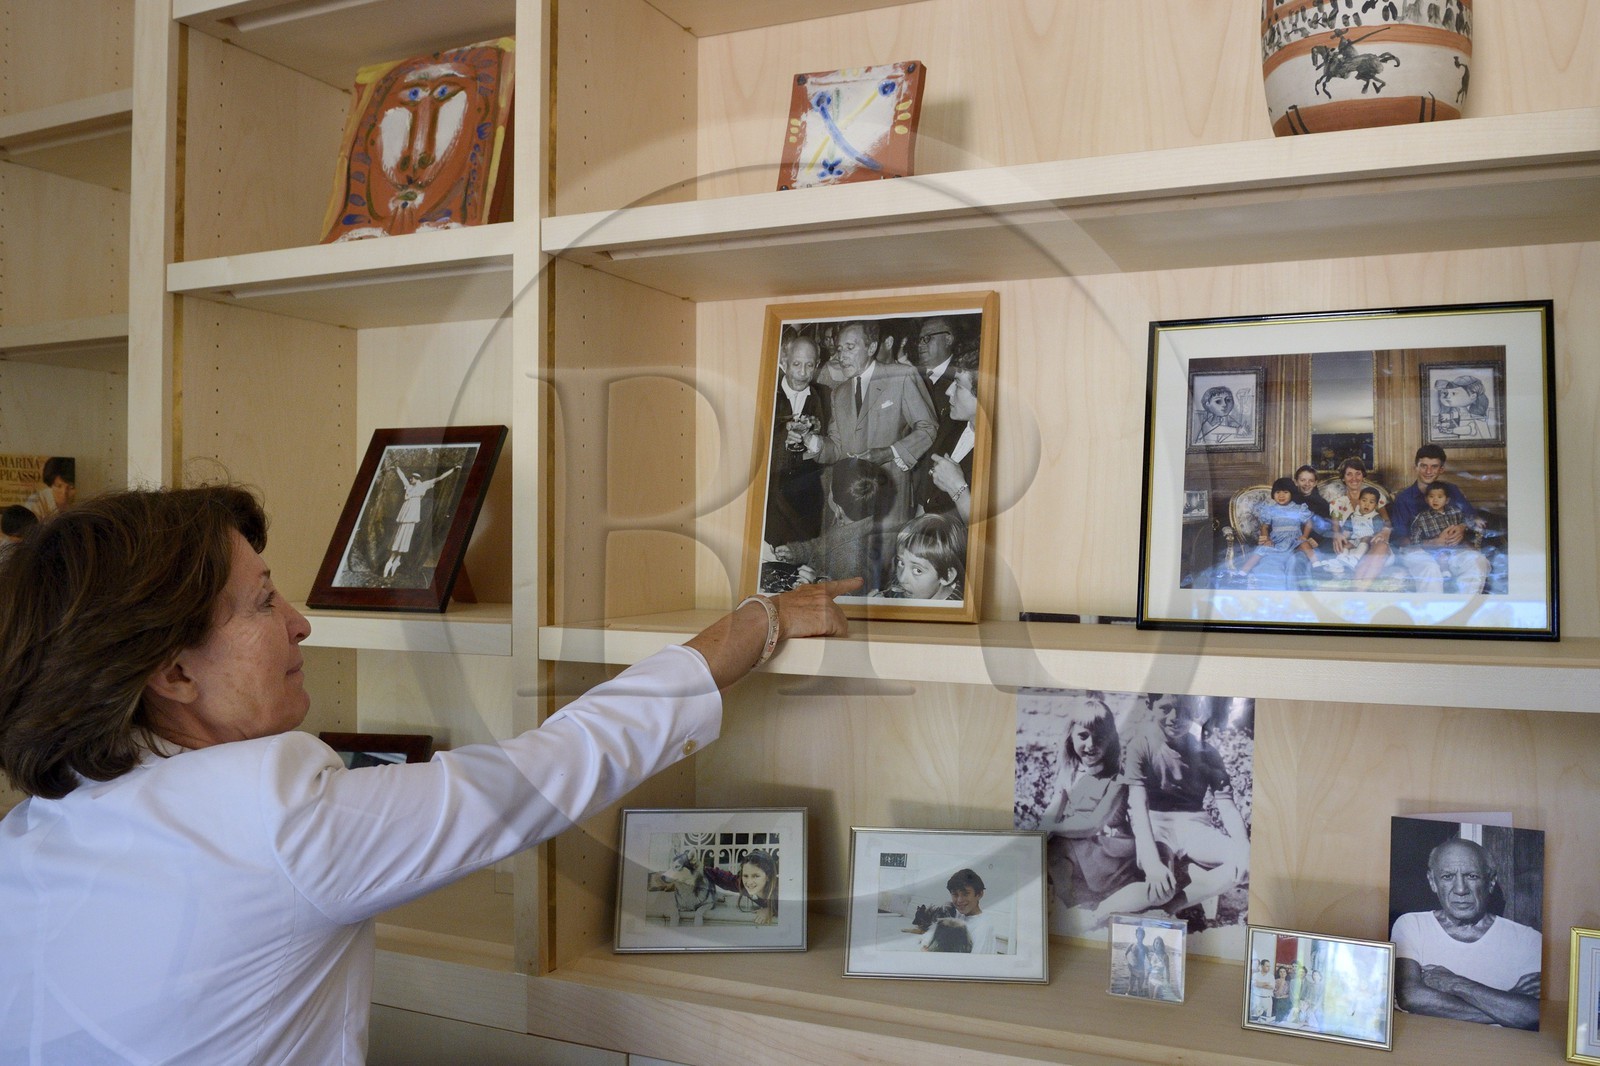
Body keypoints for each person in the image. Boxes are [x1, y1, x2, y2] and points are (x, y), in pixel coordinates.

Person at [0, 484, 857, 1063]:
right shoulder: (273, 819)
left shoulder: (31, 833)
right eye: (263, 601)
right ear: (173, 674)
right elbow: (551, 772)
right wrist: (758, 623)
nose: (300, 623)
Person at [1037, 697, 1171, 928]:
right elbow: (1053, 809)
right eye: (1083, 736)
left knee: (1159, 890)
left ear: (1111, 740)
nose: (1090, 744)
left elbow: (1094, 824)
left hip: (1110, 852)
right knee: (1050, 848)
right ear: (1071, 735)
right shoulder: (1070, 771)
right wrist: (1039, 832)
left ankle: (1101, 912)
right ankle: (1068, 905)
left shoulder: (1118, 778)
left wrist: (1052, 830)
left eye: (1099, 737)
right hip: (1081, 850)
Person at [1121, 694, 1250, 927]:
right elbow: (1138, 806)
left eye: (1183, 710)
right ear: (1150, 706)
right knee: (1160, 886)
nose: (1175, 717)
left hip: (1194, 824)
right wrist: (1151, 861)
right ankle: (1101, 912)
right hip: (1156, 822)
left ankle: (1170, 909)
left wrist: (1244, 847)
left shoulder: (1207, 753)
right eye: (1166, 709)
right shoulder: (1141, 745)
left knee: (1244, 864)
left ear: (1197, 709)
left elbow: (1227, 806)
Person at [800, 320, 937, 540]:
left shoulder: (900, 376)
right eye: (839, 349)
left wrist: (889, 452)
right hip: (845, 506)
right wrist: (813, 441)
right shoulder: (840, 393)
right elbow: (836, 447)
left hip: (889, 503)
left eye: (850, 348)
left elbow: (928, 428)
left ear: (871, 348)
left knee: (885, 570)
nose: (842, 355)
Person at [1391, 837, 1540, 1030]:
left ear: (1491, 881)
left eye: (1472, 876)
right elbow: (1411, 996)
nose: (1460, 889)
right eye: (1448, 877)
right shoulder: (1413, 925)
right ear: (1432, 882)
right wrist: (1506, 1007)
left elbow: (1533, 1015)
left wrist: (1456, 983)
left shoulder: (1527, 940)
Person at [771, 457, 892, 591]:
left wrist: (816, 583)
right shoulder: (849, 522)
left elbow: (847, 601)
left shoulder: (853, 559)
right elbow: (823, 545)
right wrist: (796, 551)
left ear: (838, 507)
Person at [1385, 445, 1490, 595]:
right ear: (1416, 467)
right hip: (1418, 550)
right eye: (1424, 466)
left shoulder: (1452, 490)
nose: (1428, 471)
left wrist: (1462, 527)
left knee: (1477, 561)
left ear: (1441, 469)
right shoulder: (1404, 498)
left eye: (1434, 467)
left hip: (1451, 547)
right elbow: (1400, 540)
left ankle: (1463, 611)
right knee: (1430, 569)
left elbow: (1471, 517)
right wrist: (1432, 543)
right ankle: (1432, 614)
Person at [766, 334, 831, 545]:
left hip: (807, 502)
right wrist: (781, 438)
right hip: (769, 499)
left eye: (810, 365)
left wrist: (815, 438)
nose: (803, 373)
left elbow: (834, 446)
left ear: (818, 365)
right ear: (784, 363)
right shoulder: (765, 394)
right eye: (796, 364)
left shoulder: (827, 397)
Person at [912, 347, 980, 524]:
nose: (948, 391)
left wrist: (958, 488)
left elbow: (985, 531)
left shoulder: (1003, 451)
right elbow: (924, 498)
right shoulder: (950, 423)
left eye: (957, 385)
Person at [1408, 483, 1488, 594]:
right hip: (1434, 550)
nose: (1435, 500)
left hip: (1455, 549)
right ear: (1426, 499)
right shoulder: (1421, 518)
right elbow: (1415, 540)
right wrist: (1433, 542)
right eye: (1431, 497)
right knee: (1440, 556)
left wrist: (1473, 522)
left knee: (1476, 559)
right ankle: (1444, 572)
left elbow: (1466, 522)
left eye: (1440, 497)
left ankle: (1466, 600)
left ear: (1447, 500)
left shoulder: (1454, 512)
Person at [382, 465, 459, 578]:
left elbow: (440, 478)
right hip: (404, 516)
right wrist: (397, 468)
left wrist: (453, 469)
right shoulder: (408, 486)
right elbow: (402, 476)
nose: (410, 479)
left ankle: (396, 561)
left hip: (412, 516)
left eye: (412, 478)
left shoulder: (424, 485)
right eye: (410, 478)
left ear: (417, 478)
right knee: (398, 537)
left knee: (405, 539)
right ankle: (392, 561)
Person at [1326, 456, 1392, 584]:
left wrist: (1385, 531)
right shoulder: (1338, 503)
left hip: (1372, 542)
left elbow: (1387, 521)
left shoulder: (1374, 497)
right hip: (1351, 544)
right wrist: (1337, 534)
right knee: (1344, 547)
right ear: (1343, 478)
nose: (1354, 478)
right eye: (1349, 474)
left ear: (1363, 476)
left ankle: (1358, 583)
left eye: (1358, 474)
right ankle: (1345, 566)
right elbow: (1336, 525)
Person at [1236, 478, 1313, 586]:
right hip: (1276, 540)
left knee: (1305, 544)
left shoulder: (1298, 508)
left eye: (1285, 492)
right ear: (1273, 494)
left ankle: (1318, 564)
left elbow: (1308, 523)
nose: (1281, 495)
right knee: (1260, 551)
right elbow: (1264, 527)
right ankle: (1242, 573)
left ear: (1292, 493)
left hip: (1294, 540)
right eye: (1277, 492)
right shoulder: (1270, 509)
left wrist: (1304, 536)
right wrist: (1266, 539)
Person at [880, 513, 964, 601]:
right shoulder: (906, 588)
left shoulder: (956, 612)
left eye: (918, 570)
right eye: (901, 563)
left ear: (947, 576)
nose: (902, 579)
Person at [919, 868, 995, 954]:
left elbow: (977, 964)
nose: (959, 900)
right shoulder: (955, 915)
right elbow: (928, 938)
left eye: (965, 894)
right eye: (955, 894)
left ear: (979, 894)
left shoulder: (983, 928)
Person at [1318, 485, 1385, 578]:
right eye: (1364, 500)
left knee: (1366, 538)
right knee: (1346, 544)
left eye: (1371, 502)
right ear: (1359, 501)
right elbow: (1347, 530)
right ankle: (1340, 561)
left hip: (1368, 541)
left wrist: (1374, 539)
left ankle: (1354, 559)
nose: (1367, 504)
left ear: (1376, 505)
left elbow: (1378, 533)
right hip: (1355, 540)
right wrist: (1344, 538)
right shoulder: (1353, 515)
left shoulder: (1376, 518)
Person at [705, 849, 779, 925]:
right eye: (745, 876)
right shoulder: (742, 884)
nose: (749, 882)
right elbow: (716, 875)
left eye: (756, 876)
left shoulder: (780, 890)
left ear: (768, 877)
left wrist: (771, 910)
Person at [1432, 374, 1494, 441]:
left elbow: (1471, 429)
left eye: (1454, 393)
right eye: (1445, 393)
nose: (1447, 396)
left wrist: (1452, 430)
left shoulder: (1477, 417)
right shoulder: (1451, 412)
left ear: (1472, 396)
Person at [24, 456, 75, 521]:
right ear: (51, 485)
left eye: (71, 487)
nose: (64, 493)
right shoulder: (36, 502)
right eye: (58, 486)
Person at [1124, 925, 1150, 996]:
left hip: (1142, 971)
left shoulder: (1146, 948)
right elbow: (1125, 954)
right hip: (1133, 970)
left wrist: (1149, 973)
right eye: (1138, 933)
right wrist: (1127, 963)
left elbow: (1150, 961)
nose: (1140, 935)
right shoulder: (1132, 945)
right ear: (1136, 934)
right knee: (1130, 989)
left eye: (1142, 933)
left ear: (1144, 935)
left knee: (1140, 989)